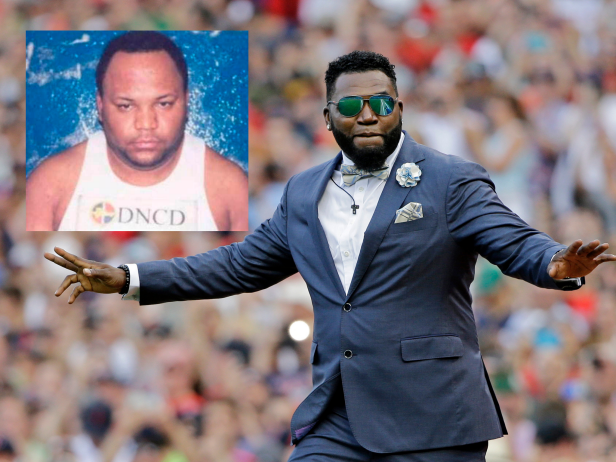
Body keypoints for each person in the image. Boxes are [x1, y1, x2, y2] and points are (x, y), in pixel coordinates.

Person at [45, 51, 615, 461]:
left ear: (399, 108)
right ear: (327, 117)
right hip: (338, 416)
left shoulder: (450, 180)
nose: (366, 113)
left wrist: (554, 263)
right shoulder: (302, 193)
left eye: (379, 102)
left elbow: (511, 239)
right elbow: (239, 265)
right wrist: (127, 277)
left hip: (434, 418)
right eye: (351, 104)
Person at [26, 31, 247, 232]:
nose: (146, 124)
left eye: (163, 104)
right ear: (100, 107)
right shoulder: (51, 186)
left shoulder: (230, 190)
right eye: (125, 106)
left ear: (187, 102)